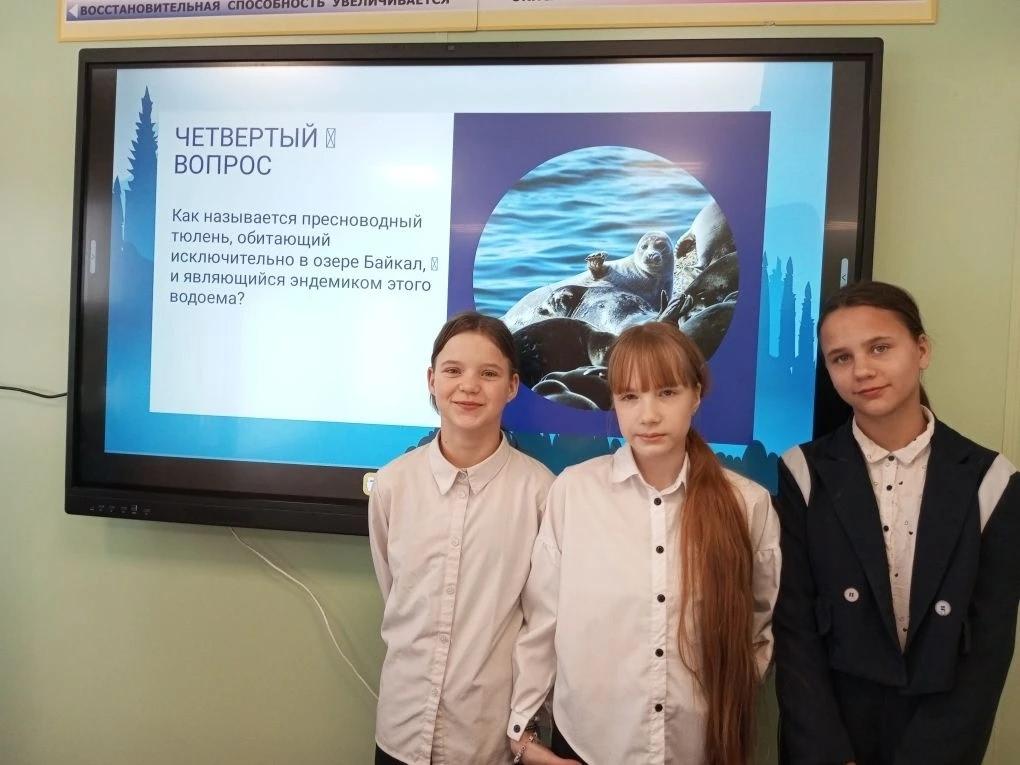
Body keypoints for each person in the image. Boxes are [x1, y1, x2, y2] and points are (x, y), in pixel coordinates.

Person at [507, 321, 781, 765]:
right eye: (630, 396)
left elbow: (758, 626)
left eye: (667, 392)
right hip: (587, 746)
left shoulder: (746, 504)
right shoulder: (574, 492)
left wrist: (723, 699)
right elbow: (543, 621)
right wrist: (524, 730)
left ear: (696, 395)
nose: (648, 415)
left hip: (701, 749)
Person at [774, 280, 1020, 765]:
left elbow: (989, 646)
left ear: (921, 349)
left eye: (880, 347)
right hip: (831, 734)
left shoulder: (991, 480)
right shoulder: (802, 472)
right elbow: (794, 629)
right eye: (841, 358)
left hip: (940, 733)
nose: (862, 370)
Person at [368, 311, 554, 765]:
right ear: (431, 380)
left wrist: (525, 726)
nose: (469, 386)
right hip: (400, 732)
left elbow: (542, 624)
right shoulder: (392, 484)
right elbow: (395, 594)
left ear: (512, 386)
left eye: (488, 373)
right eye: (453, 370)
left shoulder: (540, 493)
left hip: (487, 741)